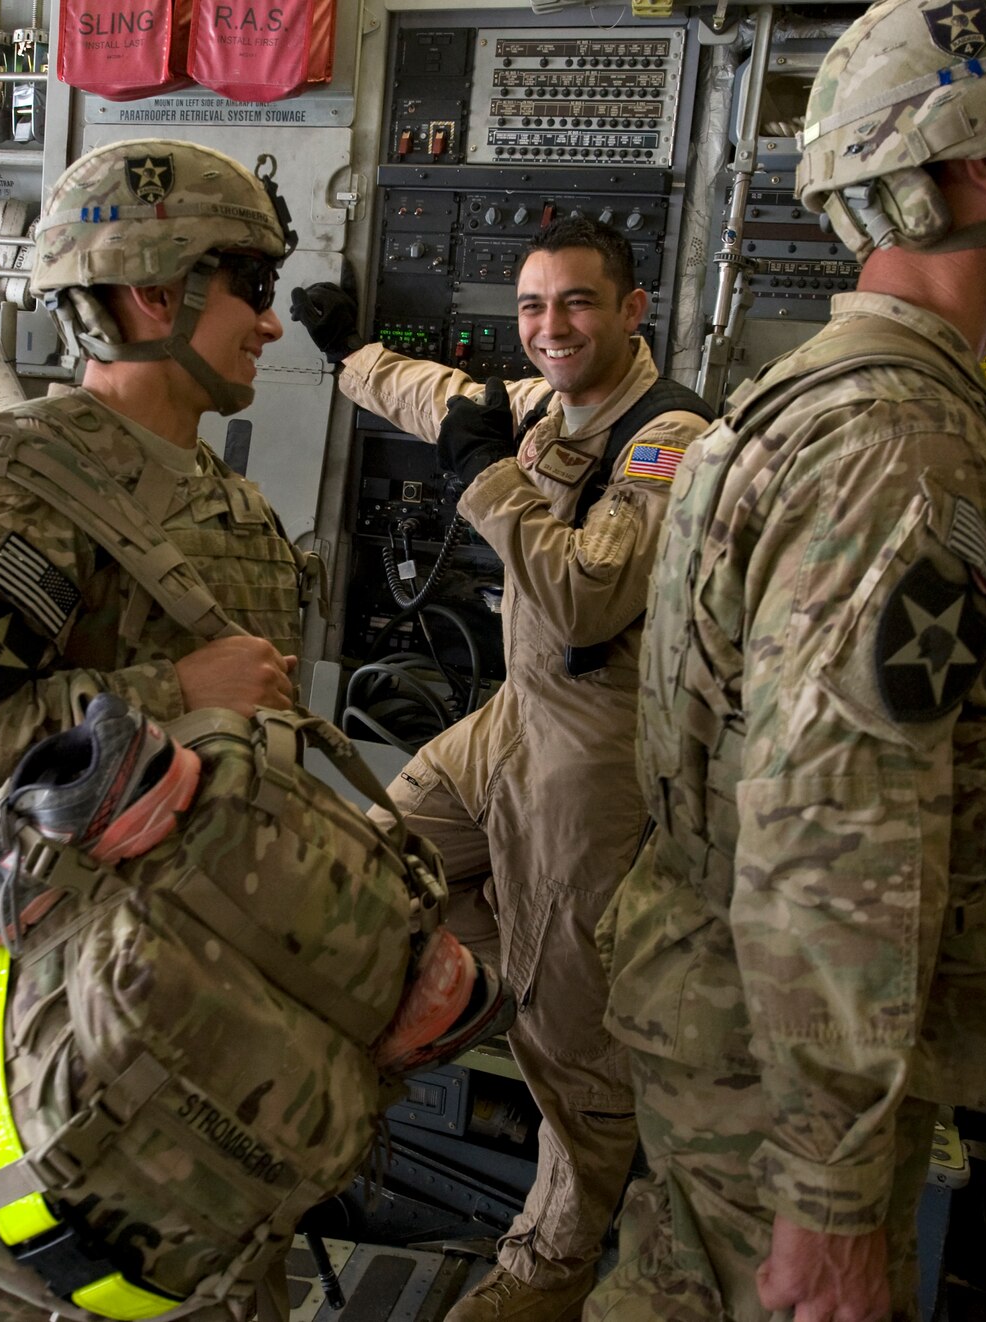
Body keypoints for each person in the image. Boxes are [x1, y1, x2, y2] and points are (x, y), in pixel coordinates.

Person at [587, 0, 986, 1317]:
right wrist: (830, 1196)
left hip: (751, 1036)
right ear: (983, 160)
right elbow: (837, 828)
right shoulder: (903, 448)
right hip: (782, 1072)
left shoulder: (873, 406)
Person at [0, 138, 311, 1320]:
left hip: (175, 1046)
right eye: (251, 288)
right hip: (23, 1062)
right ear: (157, 293)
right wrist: (168, 689)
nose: (271, 324)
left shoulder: (230, 510)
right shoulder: (22, 498)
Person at [290, 217, 712, 1322]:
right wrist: (350, 359)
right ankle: (493, 973)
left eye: (574, 303)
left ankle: (543, 1272)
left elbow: (585, 593)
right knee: (368, 872)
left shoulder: (668, 440)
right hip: (509, 720)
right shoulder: (539, 408)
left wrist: (482, 478)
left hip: (596, 750)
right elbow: (443, 400)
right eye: (530, 307)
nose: (548, 327)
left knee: (568, 1043)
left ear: (632, 309)